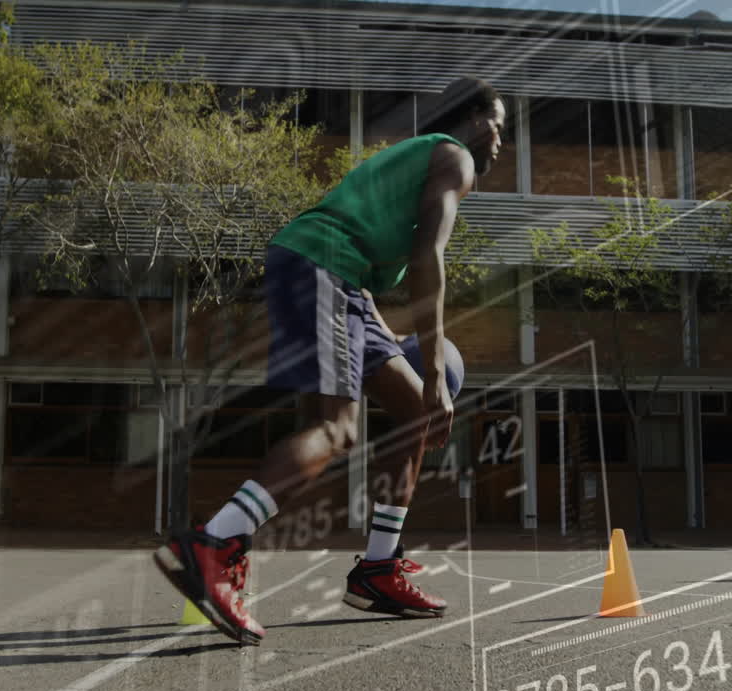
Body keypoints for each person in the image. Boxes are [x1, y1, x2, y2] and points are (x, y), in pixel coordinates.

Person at [154, 76, 505, 645]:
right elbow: (427, 259)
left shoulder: (414, 162)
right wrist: (436, 367)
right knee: (339, 429)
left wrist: (400, 353)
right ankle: (214, 542)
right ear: (473, 118)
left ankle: (377, 569)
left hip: (343, 282)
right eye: (499, 125)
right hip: (321, 267)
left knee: (416, 409)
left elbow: (366, 268)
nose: (500, 142)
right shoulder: (454, 156)